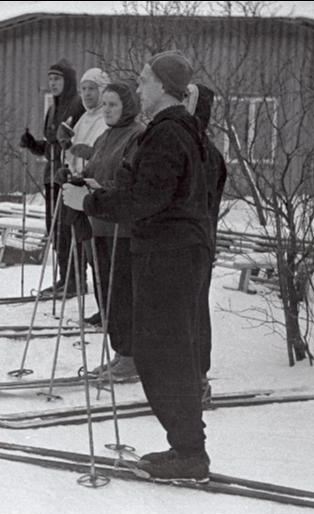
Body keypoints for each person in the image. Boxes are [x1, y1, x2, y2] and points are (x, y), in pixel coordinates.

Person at [62, 50, 212, 482]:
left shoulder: (167, 132)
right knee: (165, 352)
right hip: (172, 251)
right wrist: (100, 190)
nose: (139, 86)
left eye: (145, 80)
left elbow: (149, 199)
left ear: (164, 86)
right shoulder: (179, 130)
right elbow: (150, 189)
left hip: (169, 255)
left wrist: (90, 201)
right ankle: (185, 448)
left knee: (163, 354)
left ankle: (190, 453)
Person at [76, 81, 145, 379]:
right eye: (104, 104)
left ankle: (132, 356)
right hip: (100, 224)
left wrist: (101, 188)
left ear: (127, 106)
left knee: (122, 294)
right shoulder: (105, 137)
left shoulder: (138, 136)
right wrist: (77, 178)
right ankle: (121, 352)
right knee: (106, 294)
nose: (106, 110)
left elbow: (131, 183)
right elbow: (94, 170)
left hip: (123, 227)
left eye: (113, 104)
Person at [20, 59, 85, 295]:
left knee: (68, 227)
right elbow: (50, 146)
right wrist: (33, 145)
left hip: (68, 175)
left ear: (68, 81)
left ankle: (76, 279)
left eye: (57, 78)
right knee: (55, 229)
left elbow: (75, 142)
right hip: (51, 176)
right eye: (50, 78)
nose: (53, 83)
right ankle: (64, 277)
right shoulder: (52, 108)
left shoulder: (78, 105)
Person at [56, 67, 111, 315]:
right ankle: (103, 308)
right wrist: (65, 154)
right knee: (89, 252)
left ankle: (109, 309)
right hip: (79, 190)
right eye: (84, 89)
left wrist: (83, 152)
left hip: (96, 193)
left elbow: (101, 154)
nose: (87, 94)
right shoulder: (84, 118)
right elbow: (71, 152)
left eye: (93, 89)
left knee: (100, 256)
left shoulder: (105, 118)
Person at [186, 83, 227, 405]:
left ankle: (198, 379)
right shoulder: (186, 144)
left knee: (195, 311)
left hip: (196, 243)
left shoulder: (204, 151)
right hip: (186, 242)